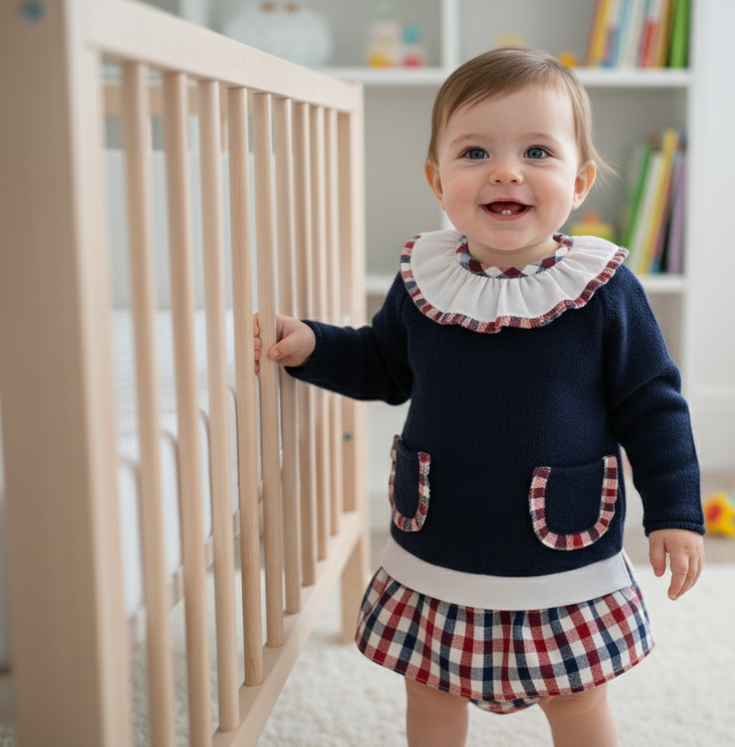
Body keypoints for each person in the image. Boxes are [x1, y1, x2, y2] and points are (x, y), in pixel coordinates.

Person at [253, 46, 705, 747]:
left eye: (536, 150)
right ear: (438, 180)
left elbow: (654, 405)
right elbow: (383, 365)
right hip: (441, 546)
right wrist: (312, 345)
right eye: (474, 152)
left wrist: (675, 511)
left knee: (577, 700)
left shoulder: (605, 291)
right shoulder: (423, 282)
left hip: (559, 553)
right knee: (430, 690)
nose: (505, 170)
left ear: (579, 180)